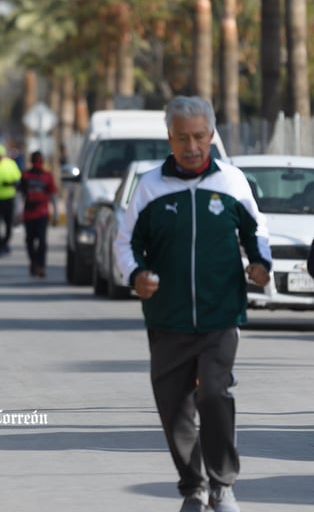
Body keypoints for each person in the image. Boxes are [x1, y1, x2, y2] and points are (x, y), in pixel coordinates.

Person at [114, 96, 271, 512]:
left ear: (212, 135)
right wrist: (137, 276)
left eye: (199, 136)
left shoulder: (232, 182)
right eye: (182, 137)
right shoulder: (150, 186)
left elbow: (257, 232)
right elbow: (126, 242)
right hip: (168, 317)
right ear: (169, 137)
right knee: (174, 406)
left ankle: (222, 485)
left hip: (222, 313)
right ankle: (193, 488)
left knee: (214, 393)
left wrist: (260, 264)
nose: (192, 146)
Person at [18, 151, 58, 278]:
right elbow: (20, 195)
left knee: (42, 241)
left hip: (42, 214)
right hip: (29, 214)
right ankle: (33, 262)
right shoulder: (25, 175)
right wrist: (18, 212)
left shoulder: (47, 176)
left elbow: (53, 195)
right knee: (30, 240)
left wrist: (55, 213)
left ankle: (41, 266)